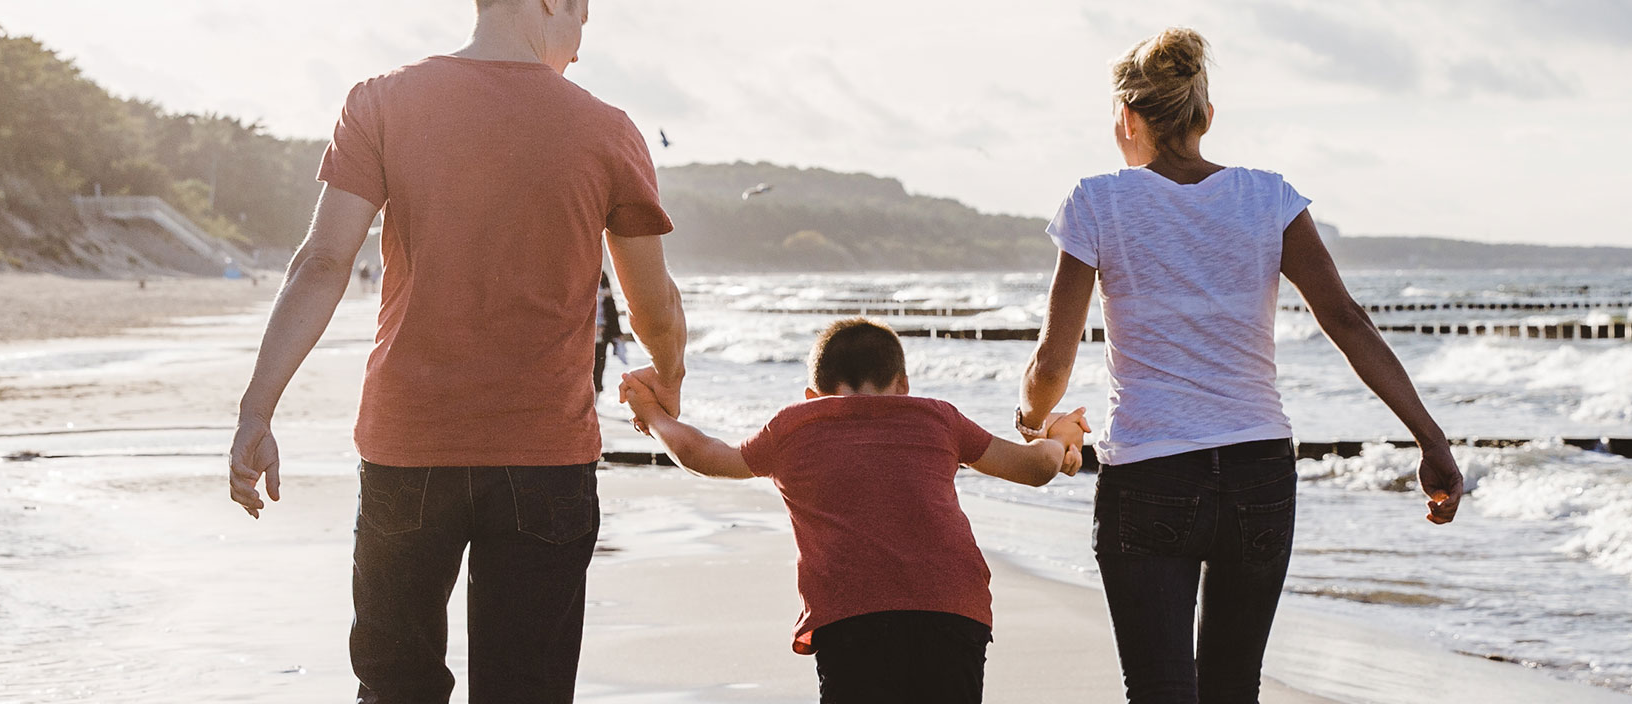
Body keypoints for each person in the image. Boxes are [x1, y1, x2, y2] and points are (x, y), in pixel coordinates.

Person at [218, 0, 686, 701]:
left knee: (395, 686)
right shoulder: (607, 130)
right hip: (545, 458)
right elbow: (653, 303)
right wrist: (668, 378)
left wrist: (257, 411)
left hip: (408, 449)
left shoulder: (379, 102)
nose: (581, 49)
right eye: (583, 20)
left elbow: (321, 263)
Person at [1012, 28, 1471, 704]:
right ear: (1206, 118)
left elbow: (1055, 357)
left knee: (1161, 691)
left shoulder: (1096, 201)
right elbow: (1347, 321)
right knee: (1233, 689)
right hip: (1260, 473)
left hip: (1152, 473)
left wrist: (1030, 416)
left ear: (1127, 119)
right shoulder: (1268, 197)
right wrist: (1431, 441)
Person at [615, 319, 1091, 704]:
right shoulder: (936, 416)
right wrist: (1059, 436)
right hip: (951, 611)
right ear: (903, 384)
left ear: (811, 395)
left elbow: (704, 454)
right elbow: (1033, 468)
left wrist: (654, 416)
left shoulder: (795, 425)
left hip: (852, 617)